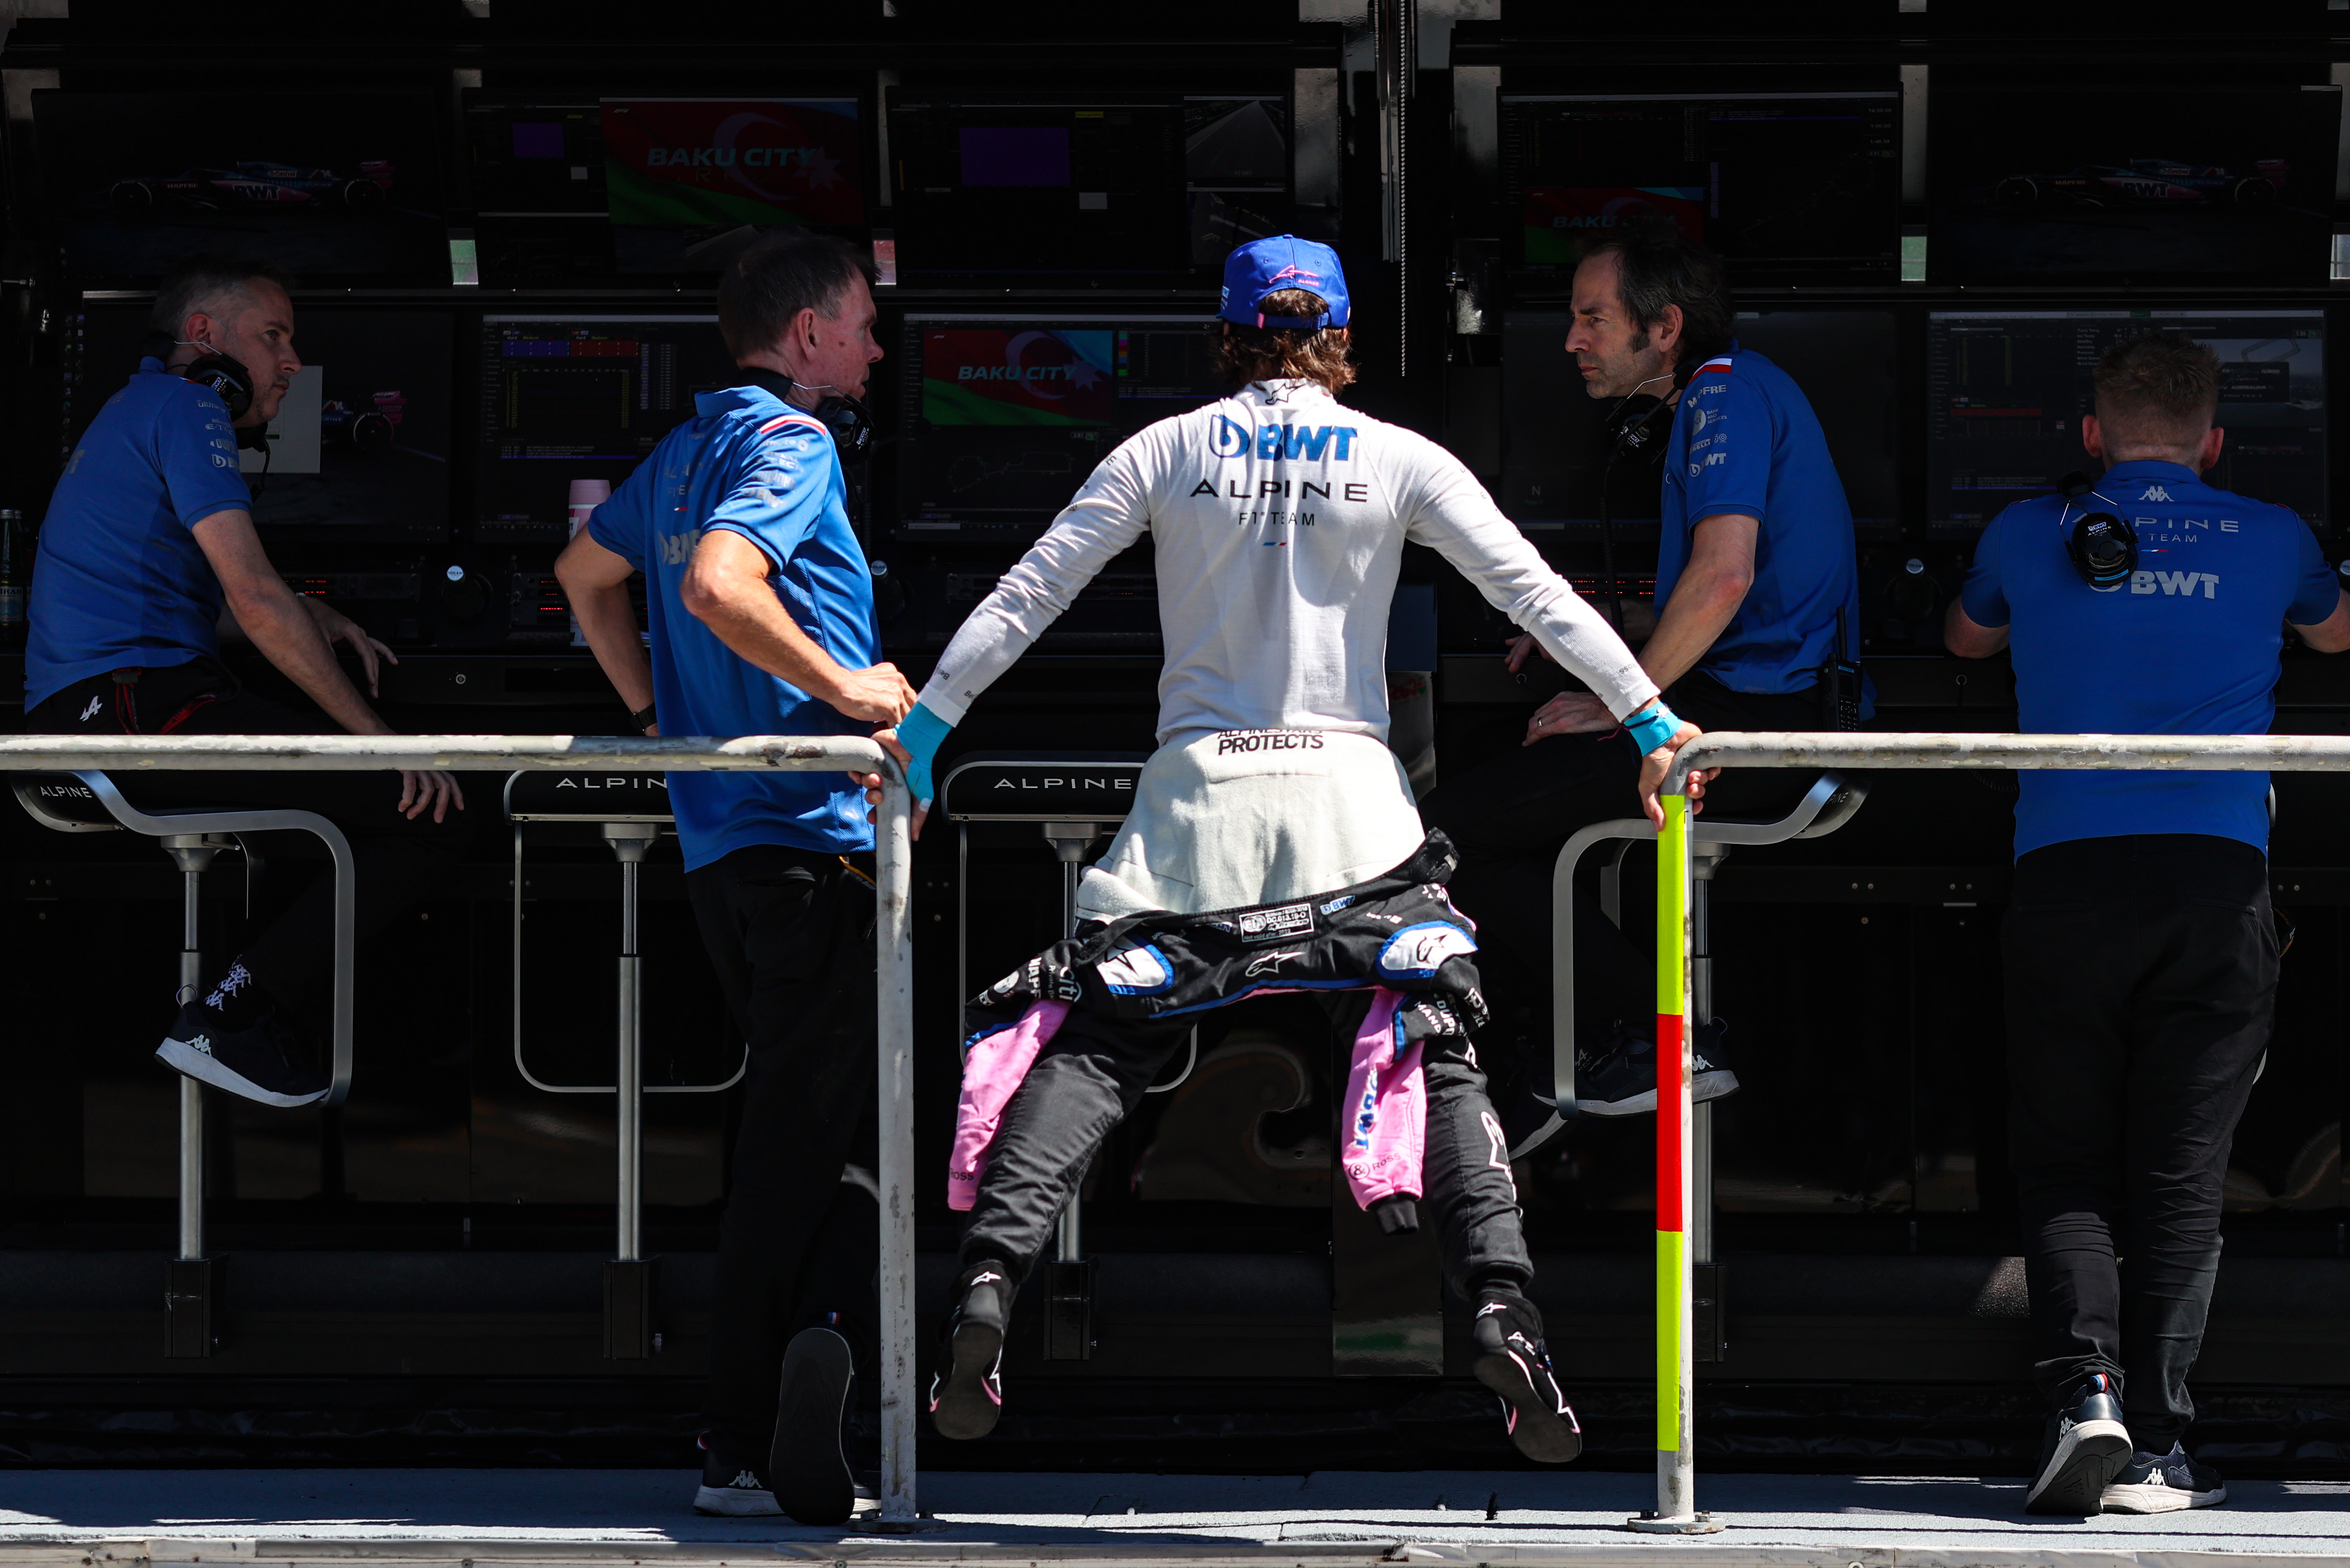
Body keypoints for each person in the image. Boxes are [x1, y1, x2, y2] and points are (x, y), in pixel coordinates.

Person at [849, 235, 1706, 1461]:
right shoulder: (1399, 456)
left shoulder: (1164, 448)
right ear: (1340, 333)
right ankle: (1507, 1310)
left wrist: (924, 733)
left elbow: (1024, 597)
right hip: (1351, 802)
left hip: (1193, 805)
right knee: (1429, 1044)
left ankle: (986, 1288)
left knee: (1099, 1042)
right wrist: (1649, 719)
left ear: (1229, 331)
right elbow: (1536, 595)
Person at [1946, 330, 2350, 1516]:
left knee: (2065, 1157)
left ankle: (2085, 1395)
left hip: (2065, 877)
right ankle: (2163, 1453)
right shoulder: (2274, 536)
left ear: (2089, 437)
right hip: (2212, 883)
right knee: (2179, 1171)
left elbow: (1966, 638)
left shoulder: (2028, 530)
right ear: (2213, 441)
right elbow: (2335, 636)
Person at [555, 232, 912, 1527]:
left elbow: (581, 574)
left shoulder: (685, 447)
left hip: (721, 845)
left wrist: (663, 719)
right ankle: (745, 1438)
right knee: (802, 1143)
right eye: (863, 324)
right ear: (807, 333)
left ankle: (809, 1363)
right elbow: (714, 582)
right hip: (811, 835)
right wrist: (852, 688)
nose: (877, 348)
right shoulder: (789, 443)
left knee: (814, 1130)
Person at [1418, 226, 1867, 1139]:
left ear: (1663, 328)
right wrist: (1578, 637)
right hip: (1753, 703)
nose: (1572, 340)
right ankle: (1574, 1044)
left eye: (1592, 318)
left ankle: (1657, 1037)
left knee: (1444, 833)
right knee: (1500, 788)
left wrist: (1620, 701)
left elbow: (1724, 579)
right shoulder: (1731, 396)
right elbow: (1725, 597)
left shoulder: (1722, 399)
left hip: (1753, 728)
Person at [21, 255, 468, 1110]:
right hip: (131, 712)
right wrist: (382, 742)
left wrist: (311, 610)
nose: (293, 363)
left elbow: (198, 597)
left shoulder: (135, 407)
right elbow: (253, 602)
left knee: (331, 814)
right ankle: (236, 1014)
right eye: (273, 338)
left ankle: (245, 1010)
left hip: (104, 713)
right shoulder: (190, 405)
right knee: (432, 814)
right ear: (203, 338)